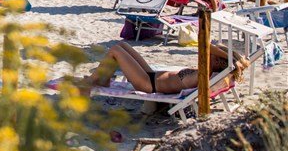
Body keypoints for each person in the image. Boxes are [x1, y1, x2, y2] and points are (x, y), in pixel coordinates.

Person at [84, 41, 244, 95]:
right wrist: (229, 55)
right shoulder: (213, 72)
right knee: (122, 45)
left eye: (213, 57)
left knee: (115, 51)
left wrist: (223, 54)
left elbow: (205, 45)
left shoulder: (206, 72)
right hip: (151, 76)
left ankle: (93, 81)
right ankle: (102, 79)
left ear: (216, 62)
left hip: (148, 84)